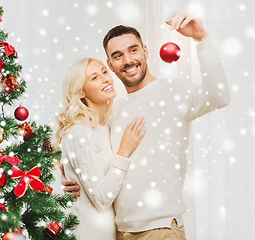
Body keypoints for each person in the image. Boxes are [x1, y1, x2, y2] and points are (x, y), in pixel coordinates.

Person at [60, 11, 231, 240]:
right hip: (119, 232)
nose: (128, 60)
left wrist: (200, 38)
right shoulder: (112, 110)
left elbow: (219, 96)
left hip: (159, 230)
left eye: (133, 50)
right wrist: (68, 181)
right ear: (110, 65)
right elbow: (97, 163)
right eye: (118, 56)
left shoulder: (173, 92)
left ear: (145, 51)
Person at [54, 58, 147, 240]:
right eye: (94, 77)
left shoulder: (105, 126)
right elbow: (102, 199)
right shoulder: (81, 131)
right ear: (81, 91)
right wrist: (124, 151)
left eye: (105, 72)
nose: (105, 79)